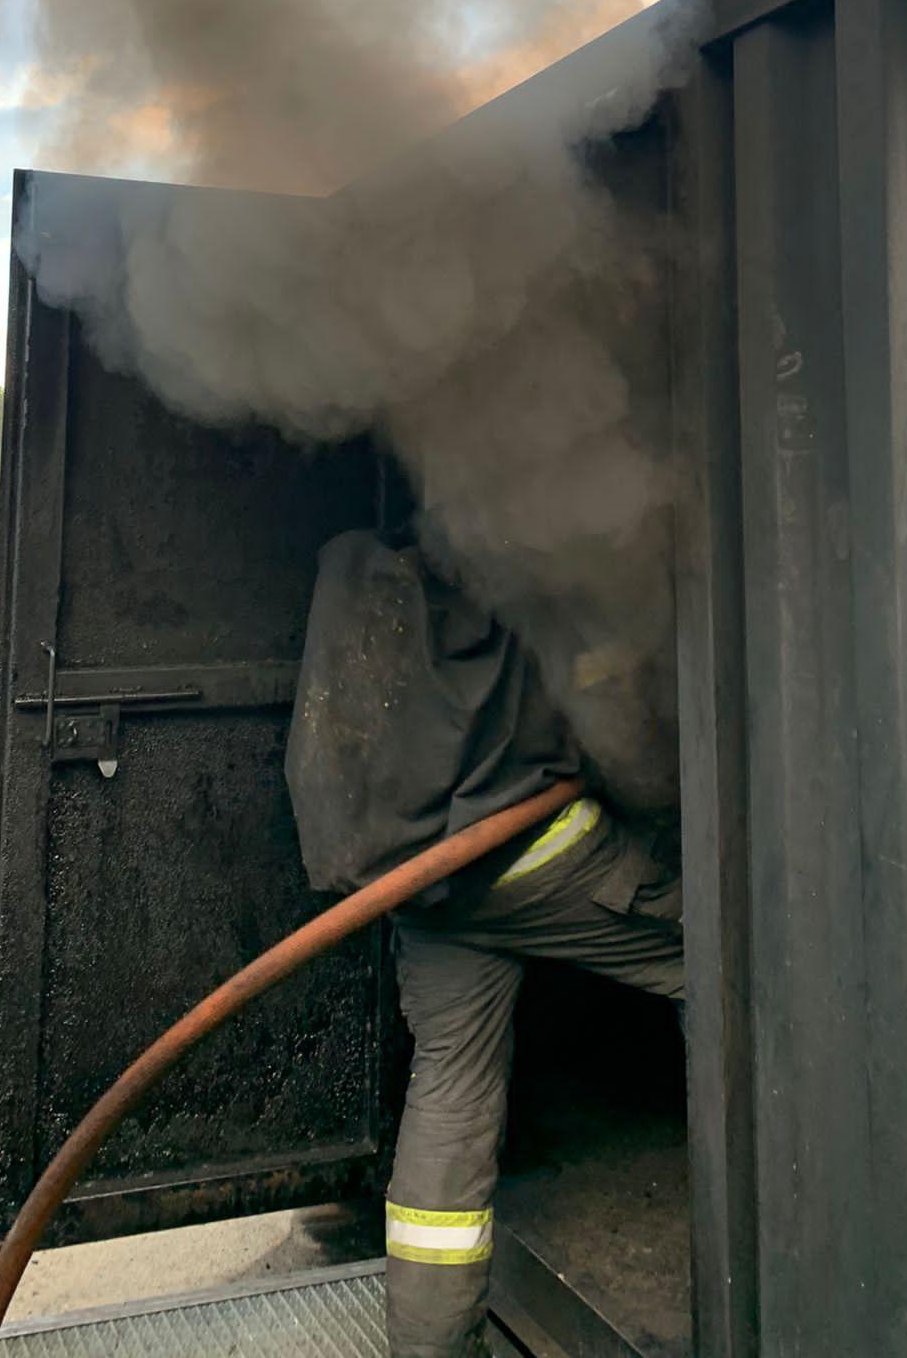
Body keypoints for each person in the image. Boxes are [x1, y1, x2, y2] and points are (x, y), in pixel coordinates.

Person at [286, 529, 685, 1358]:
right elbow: (622, 740)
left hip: (424, 888)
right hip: (532, 854)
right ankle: (781, 1230)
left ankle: (430, 1348)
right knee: (721, 959)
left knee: (452, 1085)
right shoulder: (522, 567)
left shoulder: (370, 585)